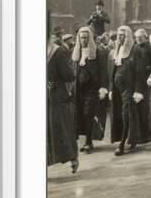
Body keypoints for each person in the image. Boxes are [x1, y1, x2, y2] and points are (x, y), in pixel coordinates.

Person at [72, 26, 108, 154]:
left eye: (86, 38)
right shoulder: (76, 52)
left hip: (92, 88)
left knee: (88, 114)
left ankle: (89, 141)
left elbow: (103, 71)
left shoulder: (98, 51)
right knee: (80, 114)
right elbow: (73, 71)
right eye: (81, 38)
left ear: (90, 38)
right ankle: (84, 140)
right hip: (79, 89)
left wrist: (103, 87)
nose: (83, 40)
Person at [47, 26, 78, 174]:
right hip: (49, 96)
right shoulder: (56, 50)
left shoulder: (58, 51)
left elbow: (69, 75)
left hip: (58, 98)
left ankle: (73, 157)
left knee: (62, 128)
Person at [108, 26, 143, 156]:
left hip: (129, 88)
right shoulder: (115, 50)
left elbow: (140, 72)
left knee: (126, 113)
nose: (120, 37)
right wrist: (111, 88)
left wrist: (138, 90)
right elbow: (113, 71)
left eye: (123, 35)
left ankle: (122, 144)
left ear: (128, 36)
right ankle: (130, 138)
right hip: (117, 88)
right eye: (118, 35)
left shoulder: (135, 50)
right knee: (119, 114)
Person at [134, 28, 151, 144]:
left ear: (145, 37)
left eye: (140, 38)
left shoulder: (149, 48)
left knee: (145, 108)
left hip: (146, 82)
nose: (138, 40)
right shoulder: (135, 48)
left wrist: (149, 75)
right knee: (138, 107)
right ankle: (139, 133)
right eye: (137, 38)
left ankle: (146, 134)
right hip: (137, 81)